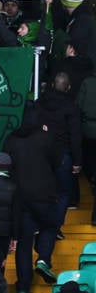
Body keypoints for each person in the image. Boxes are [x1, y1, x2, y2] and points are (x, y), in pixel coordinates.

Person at [3, 106, 60, 288]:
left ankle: (23, 285)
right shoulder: (45, 136)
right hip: (44, 194)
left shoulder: (11, 139)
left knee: (24, 242)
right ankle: (43, 258)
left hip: (20, 196)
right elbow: (57, 162)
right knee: (50, 227)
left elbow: (6, 164)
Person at [36, 71, 82, 238]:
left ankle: (42, 226)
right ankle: (54, 228)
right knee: (63, 193)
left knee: (44, 191)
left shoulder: (40, 103)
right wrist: (77, 161)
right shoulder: (71, 107)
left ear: (53, 85)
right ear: (68, 87)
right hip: (63, 155)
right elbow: (75, 135)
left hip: (42, 154)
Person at [77, 67, 96, 225]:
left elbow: (79, 105)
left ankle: (91, 178)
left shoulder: (87, 83)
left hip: (88, 129)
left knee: (89, 156)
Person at [60, 0, 96, 67]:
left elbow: (76, 44)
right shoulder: (81, 16)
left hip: (84, 65)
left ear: (66, 4)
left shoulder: (81, 20)